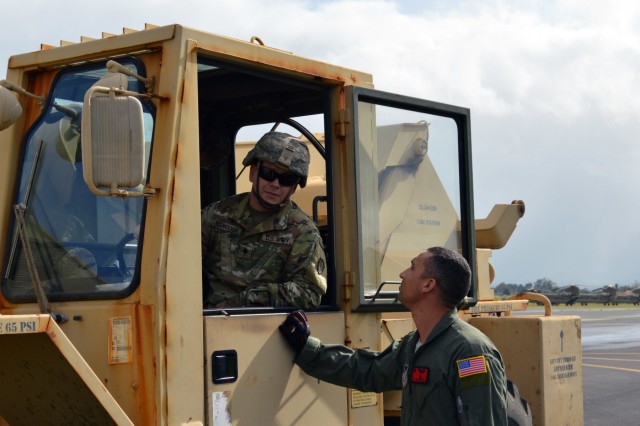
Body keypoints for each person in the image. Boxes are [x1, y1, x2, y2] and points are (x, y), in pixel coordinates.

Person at [279, 246, 507, 425]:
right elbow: (368, 370)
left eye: (412, 267)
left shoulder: (471, 352)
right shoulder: (415, 344)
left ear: (428, 284)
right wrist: (307, 348)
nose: (402, 274)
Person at [202, 131, 327, 309]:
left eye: (286, 179)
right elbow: (181, 261)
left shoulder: (302, 231)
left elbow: (308, 293)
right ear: (253, 173)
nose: (275, 184)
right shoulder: (216, 215)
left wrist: (245, 301)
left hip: (265, 329)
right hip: (208, 324)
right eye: (269, 173)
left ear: (293, 188)